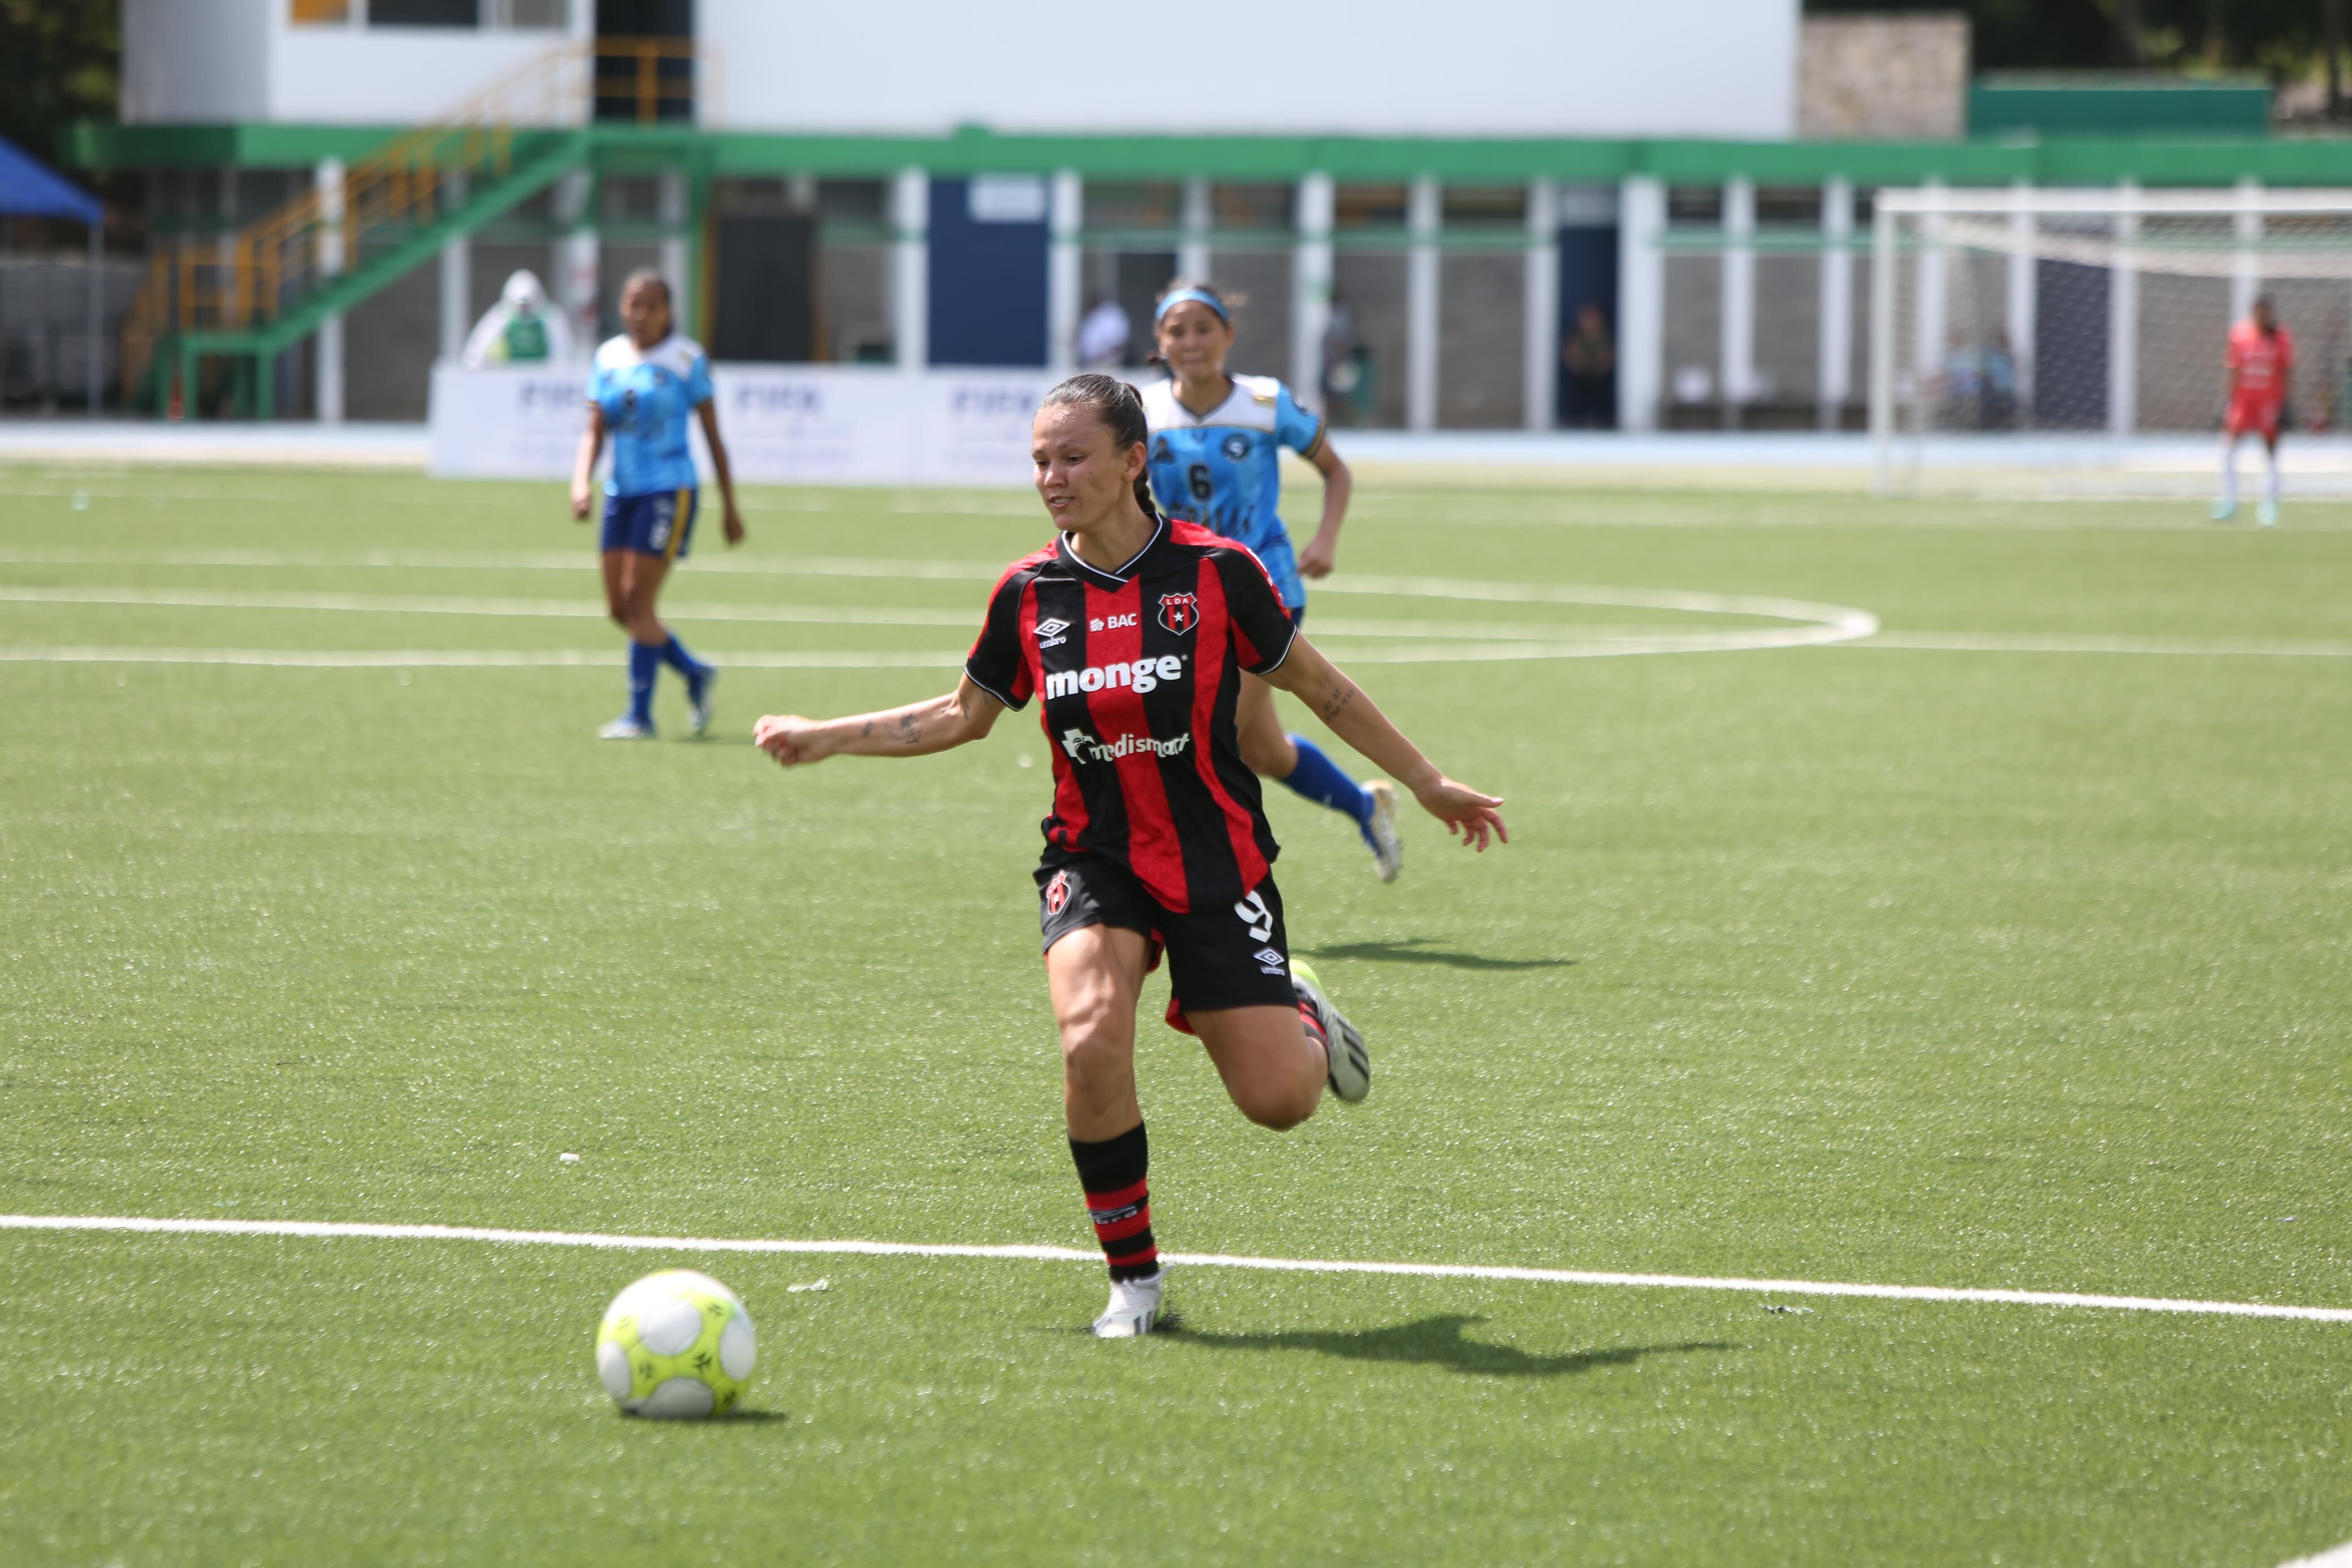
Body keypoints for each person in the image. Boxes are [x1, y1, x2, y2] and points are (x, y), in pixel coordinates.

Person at [751, 375, 1507, 1337]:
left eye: (1072, 456)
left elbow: (1327, 690)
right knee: (1091, 1033)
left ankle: (1304, 1011)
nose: (1052, 477)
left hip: (1214, 860)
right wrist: (827, 733)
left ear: (1133, 460)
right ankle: (1135, 1281)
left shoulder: (1220, 572)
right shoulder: (1029, 594)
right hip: (1094, 857)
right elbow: (960, 714)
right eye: (1039, 460)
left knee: (1279, 1101)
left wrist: (1429, 780)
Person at [1141, 281, 1404, 883]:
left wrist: (1325, 539)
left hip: (1267, 591)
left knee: (1211, 737)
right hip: (1186, 600)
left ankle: (1221, 884)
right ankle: (1366, 805)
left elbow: (1334, 471)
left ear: (1228, 335)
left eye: (1203, 328)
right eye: (1175, 331)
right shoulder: (1144, 413)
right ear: (1159, 343)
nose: (1190, 342)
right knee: (1264, 752)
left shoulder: (1264, 404)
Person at [569, 269, 746, 739]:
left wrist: (730, 505)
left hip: (670, 489)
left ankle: (639, 716)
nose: (641, 315)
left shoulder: (687, 359)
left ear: (669, 312)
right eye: (633, 305)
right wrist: (580, 483)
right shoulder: (607, 357)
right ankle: (694, 672)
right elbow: (594, 429)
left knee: (637, 601)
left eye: (652, 306)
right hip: (619, 492)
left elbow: (713, 437)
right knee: (618, 609)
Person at [2216, 294, 2294, 526]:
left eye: (2266, 312)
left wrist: (2287, 404)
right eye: (2258, 312)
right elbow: (2233, 370)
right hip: (2243, 402)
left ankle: (2268, 506)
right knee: (2228, 450)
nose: (2262, 316)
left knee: (2270, 456)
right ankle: (2229, 502)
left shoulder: (2281, 338)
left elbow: (2287, 372)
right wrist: (2226, 401)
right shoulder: (2240, 335)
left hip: (2269, 403)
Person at [461, 269, 573, 367]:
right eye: (520, 305)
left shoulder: (552, 317)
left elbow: (564, 355)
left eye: (527, 305)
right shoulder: (499, 316)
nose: (524, 310)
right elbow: (475, 354)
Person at [1559, 302, 1615, 428]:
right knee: (1579, 398)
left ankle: (1600, 418)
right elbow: (1570, 352)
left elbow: (1608, 353)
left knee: (1599, 399)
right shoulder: (1577, 336)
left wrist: (1602, 366)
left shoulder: (1603, 336)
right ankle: (1576, 418)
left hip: (1599, 376)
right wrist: (1577, 364)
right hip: (1581, 375)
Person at [1076, 293, 1131, 370]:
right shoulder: (1090, 316)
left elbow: (1118, 341)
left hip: (1108, 362)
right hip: (1091, 363)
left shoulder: (1110, 314)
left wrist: (1107, 357)